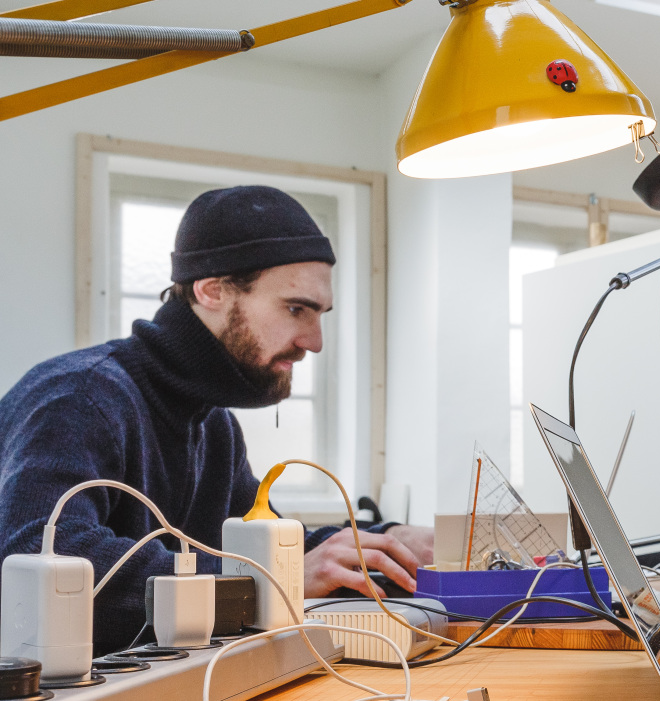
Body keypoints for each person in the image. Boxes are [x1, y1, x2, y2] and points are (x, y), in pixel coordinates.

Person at [0, 186, 433, 654]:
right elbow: (44, 555)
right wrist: (275, 581)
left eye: (320, 314)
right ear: (211, 290)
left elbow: (263, 551)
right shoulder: (82, 397)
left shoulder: (214, 425)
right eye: (295, 309)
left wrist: (390, 544)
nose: (314, 341)